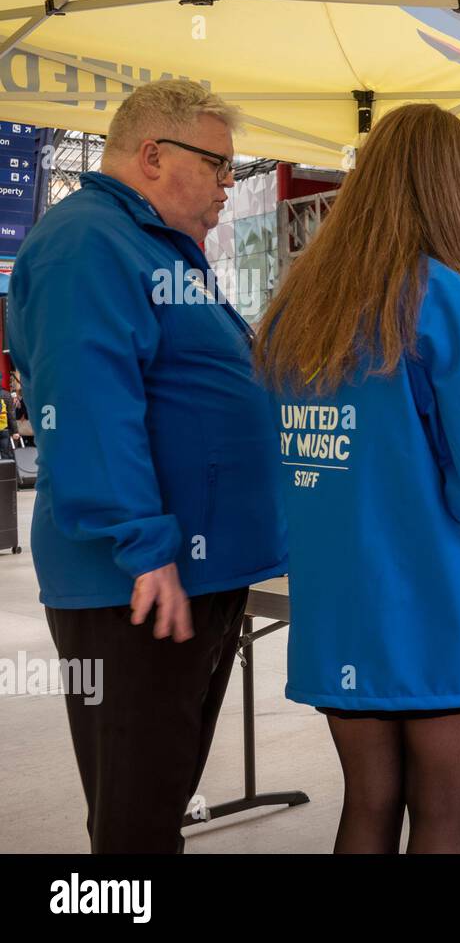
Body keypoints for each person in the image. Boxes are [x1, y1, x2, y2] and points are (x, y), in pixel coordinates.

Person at [256, 103, 460, 854]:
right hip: (436, 602)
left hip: (337, 603)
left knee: (369, 804)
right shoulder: (447, 299)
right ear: (454, 191)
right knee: (444, 816)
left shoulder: (301, 304)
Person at [6, 79, 286, 853]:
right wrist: (145, 544)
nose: (232, 184)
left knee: (157, 797)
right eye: (220, 165)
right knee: (135, 815)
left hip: (188, 573)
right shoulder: (88, 241)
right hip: (135, 582)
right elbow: (90, 404)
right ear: (153, 155)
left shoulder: (157, 245)